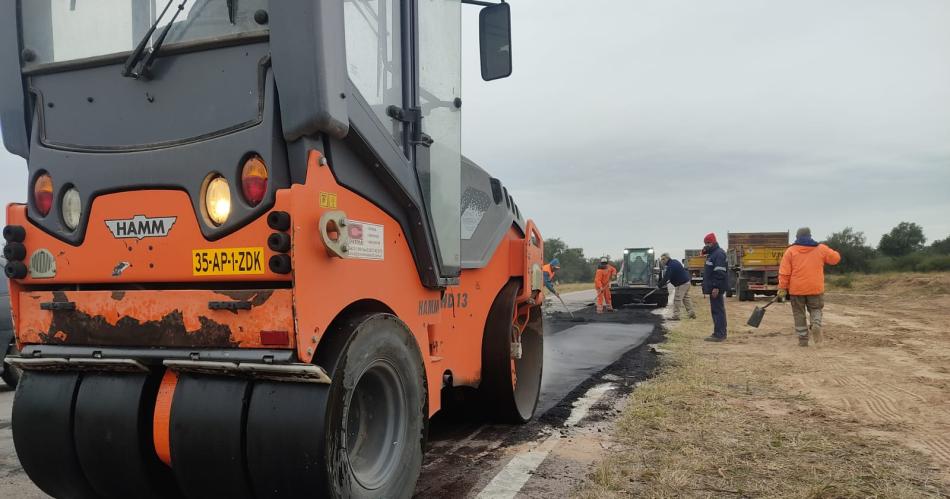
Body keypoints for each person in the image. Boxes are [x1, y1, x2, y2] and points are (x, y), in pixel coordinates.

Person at [778, 227, 841, 347]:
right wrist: (834, 252)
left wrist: (782, 287)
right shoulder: (821, 248)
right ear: (810, 236)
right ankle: (816, 324)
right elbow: (835, 259)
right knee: (816, 309)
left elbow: (784, 272)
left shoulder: (790, 251)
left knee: (799, 313)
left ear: (797, 237)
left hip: (796, 289)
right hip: (815, 288)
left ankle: (803, 340)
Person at [701, 233, 728, 341]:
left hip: (716, 288)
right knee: (716, 310)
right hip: (713, 287)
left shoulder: (719, 254)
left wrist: (716, 287)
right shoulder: (713, 253)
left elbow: (720, 272)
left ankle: (720, 334)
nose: (706, 245)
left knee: (718, 311)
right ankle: (718, 332)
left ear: (712, 242)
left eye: (707, 243)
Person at [658, 252, 695, 320]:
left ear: (667, 258)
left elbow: (666, 277)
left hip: (681, 284)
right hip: (686, 282)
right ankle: (691, 313)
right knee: (686, 298)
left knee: (677, 300)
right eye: (661, 259)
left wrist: (659, 285)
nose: (662, 261)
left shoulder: (671, 266)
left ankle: (676, 316)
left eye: (663, 259)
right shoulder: (675, 262)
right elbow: (671, 275)